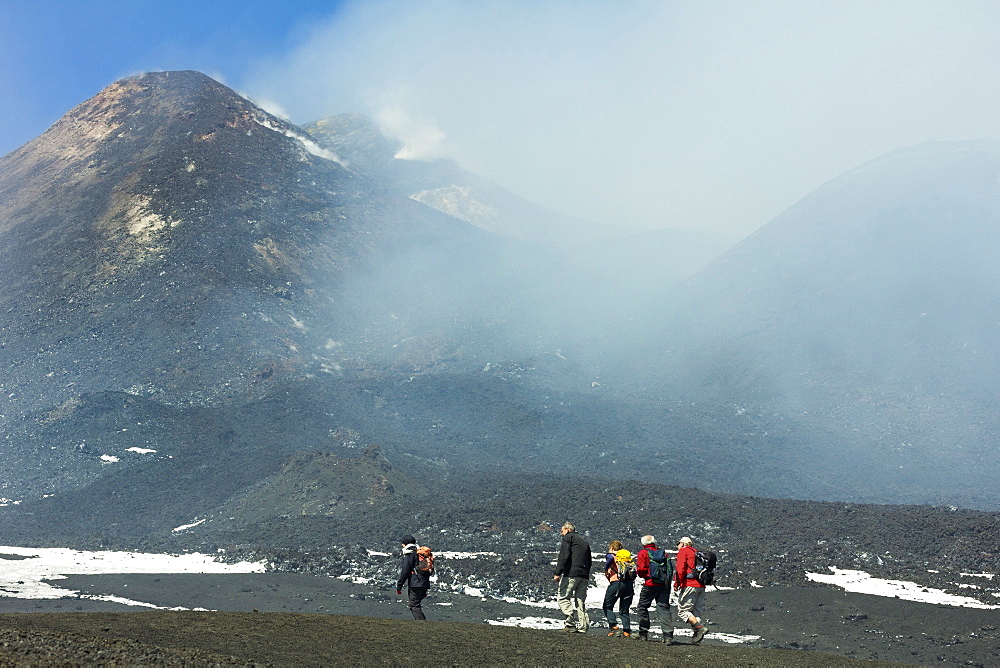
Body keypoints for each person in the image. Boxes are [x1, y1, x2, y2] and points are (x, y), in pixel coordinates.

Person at [635, 534, 676, 643]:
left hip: (650, 584)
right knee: (663, 608)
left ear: (643, 543)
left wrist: (646, 576)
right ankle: (668, 636)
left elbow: (640, 570)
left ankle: (643, 633)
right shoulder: (663, 553)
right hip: (664, 585)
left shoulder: (643, 553)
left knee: (642, 607)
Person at [552, 521, 592, 633]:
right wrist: (586, 573)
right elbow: (589, 560)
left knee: (563, 597)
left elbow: (564, 556)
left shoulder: (568, 538)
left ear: (568, 529)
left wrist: (557, 572)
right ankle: (584, 627)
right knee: (580, 601)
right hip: (584, 575)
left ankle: (570, 624)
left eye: (562, 531)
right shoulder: (584, 541)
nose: (561, 534)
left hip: (571, 574)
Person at [674, 536, 708, 643]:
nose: (677, 546)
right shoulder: (696, 552)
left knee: (683, 611)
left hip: (689, 584)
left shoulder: (683, 552)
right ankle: (696, 636)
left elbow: (681, 569)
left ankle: (699, 628)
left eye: (678, 543)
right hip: (701, 585)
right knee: (696, 611)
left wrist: (677, 583)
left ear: (683, 544)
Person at [602, 541, 636, 637]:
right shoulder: (627, 558)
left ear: (612, 548)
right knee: (624, 609)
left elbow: (608, 561)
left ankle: (614, 627)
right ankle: (627, 631)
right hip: (629, 585)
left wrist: (606, 570)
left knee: (607, 606)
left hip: (617, 583)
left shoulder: (611, 556)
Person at [395, 534, 431, 620]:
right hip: (424, 583)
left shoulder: (410, 554)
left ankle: (423, 625)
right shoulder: (420, 554)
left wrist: (399, 586)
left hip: (415, 583)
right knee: (416, 604)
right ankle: (422, 624)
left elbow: (405, 571)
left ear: (405, 544)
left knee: (414, 605)